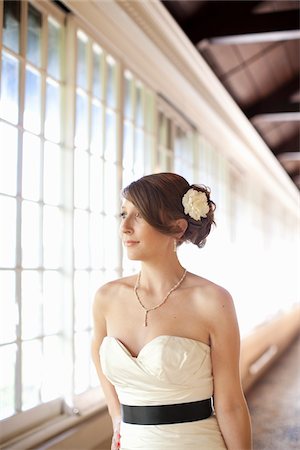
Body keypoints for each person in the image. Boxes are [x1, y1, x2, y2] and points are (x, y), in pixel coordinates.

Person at [91, 172, 252, 450]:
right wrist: (117, 417)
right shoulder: (106, 298)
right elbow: (98, 359)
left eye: (139, 216)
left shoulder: (213, 301)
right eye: (123, 214)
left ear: (177, 229)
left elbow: (231, 405)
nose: (125, 227)